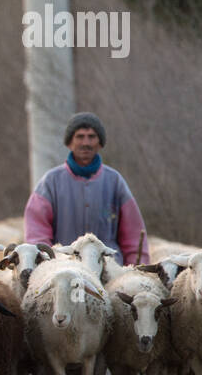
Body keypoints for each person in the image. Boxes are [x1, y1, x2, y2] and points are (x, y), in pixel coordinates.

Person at [23, 112, 150, 264]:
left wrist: (136, 268)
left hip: (109, 270)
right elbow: (37, 233)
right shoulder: (50, 182)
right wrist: (48, 265)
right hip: (64, 268)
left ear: (100, 143)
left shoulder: (115, 181)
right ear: (70, 142)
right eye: (80, 136)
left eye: (91, 136)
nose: (86, 142)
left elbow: (134, 236)